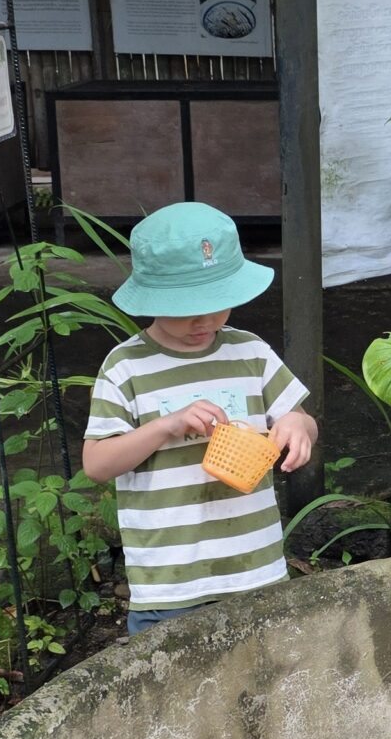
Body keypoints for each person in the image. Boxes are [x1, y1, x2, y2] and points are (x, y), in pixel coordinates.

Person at [81, 202, 319, 632]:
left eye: (219, 302)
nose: (205, 318)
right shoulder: (126, 368)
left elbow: (298, 415)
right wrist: (166, 426)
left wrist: (298, 426)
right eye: (188, 305)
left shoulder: (250, 352)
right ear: (152, 298)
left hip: (254, 569)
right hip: (170, 582)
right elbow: (97, 464)